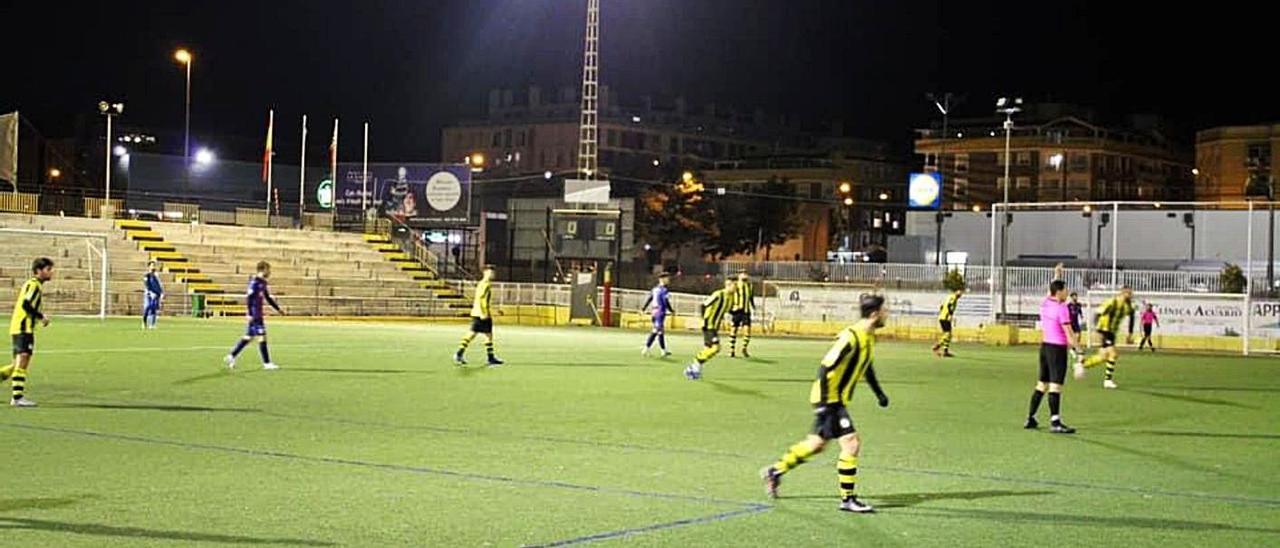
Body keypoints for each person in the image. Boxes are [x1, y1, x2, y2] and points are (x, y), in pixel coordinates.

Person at [761, 294, 891, 514]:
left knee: (816, 445)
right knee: (851, 443)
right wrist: (822, 402)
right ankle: (848, 499)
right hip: (829, 399)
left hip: (834, 399)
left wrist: (879, 393)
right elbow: (826, 366)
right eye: (885, 311)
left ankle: (775, 471)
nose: (887, 315)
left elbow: (866, 366)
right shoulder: (851, 336)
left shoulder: (868, 337)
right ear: (875, 313)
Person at [1027, 280, 1082, 433]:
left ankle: (1030, 417)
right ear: (1059, 292)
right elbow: (1069, 333)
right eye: (1065, 290)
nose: (1067, 293)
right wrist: (1079, 351)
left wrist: (1057, 275)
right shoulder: (1062, 308)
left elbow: (1049, 290)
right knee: (1055, 386)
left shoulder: (1045, 303)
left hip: (1045, 348)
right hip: (1057, 349)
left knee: (1041, 384)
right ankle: (1055, 422)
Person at [0, 258, 55, 407]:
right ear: (39, 270)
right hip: (23, 327)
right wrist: (41, 316)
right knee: (23, 360)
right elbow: (26, 304)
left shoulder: (34, 284)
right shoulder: (33, 285)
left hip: (20, 327)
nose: (51, 272)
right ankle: (17, 398)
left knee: (16, 364)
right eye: (48, 269)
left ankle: (16, 397)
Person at [224, 261, 284, 370]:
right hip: (255, 315)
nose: (270, 272)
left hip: (259, 315)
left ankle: (231, 356)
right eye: (268, 269)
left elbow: (268, 298)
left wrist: (278, 309)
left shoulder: (263, 283)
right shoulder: (254, 282)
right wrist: (249, 313)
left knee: (249, 337)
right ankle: (267, 363)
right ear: (263, 269)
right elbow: (249, 298)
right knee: (262, 337)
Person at [1076, 286, 1135, 389]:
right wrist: (1097, 329)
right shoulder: (1112, 302)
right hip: (1104, 330)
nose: (1130, 295)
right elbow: (1098, 313)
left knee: (1103, 357)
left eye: (1131, 294)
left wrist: (1130, 334)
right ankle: (1107, 380)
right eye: (1128, 293)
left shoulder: (1129, 306)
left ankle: (1082, 364)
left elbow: (1132, 319)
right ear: (1122, 293)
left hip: (1112, 332)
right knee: (1113, 354)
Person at [683, 278, 735, 380]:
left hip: (715, 327)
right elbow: (704, 305)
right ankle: (696, 363)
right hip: (709, 325)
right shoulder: (718, 294)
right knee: (716, 348)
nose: (736, 288)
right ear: (728, 285)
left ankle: (694, 370)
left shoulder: (731, 298)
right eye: (734, 285)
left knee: (708, 349)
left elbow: (728, 311)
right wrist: (703, 320)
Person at [456, 266, 504, 367]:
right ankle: (459, 353)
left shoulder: (482, 284)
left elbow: (485, 300)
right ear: (485, 273)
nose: (493, 274)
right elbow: (481, 299)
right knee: (474, 334)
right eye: (491, 272)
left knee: (487, 335)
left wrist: (495, 310)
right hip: (482, 314)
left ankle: (490, 357)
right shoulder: (485, 284)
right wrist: (483, 313)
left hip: (479, 312)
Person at [641, 273, 675, 357]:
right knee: (656, 331)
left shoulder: (655, 289)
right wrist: (671, 310)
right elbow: (665, 301)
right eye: (667, 278)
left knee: (660, 332)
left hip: (654, 312)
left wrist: (644, 308)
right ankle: (646, 348)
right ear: (662, 279)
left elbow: (650, 298)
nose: (668, 280)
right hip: (660, 312)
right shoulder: (664, 290)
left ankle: (663, 350)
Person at [729, 272, 756, 358]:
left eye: (746, 273)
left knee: (747, 331)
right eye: (742, 273)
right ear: (739, 276)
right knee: (733, 330)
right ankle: (731, 350)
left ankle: (744, 348)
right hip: (737, 311)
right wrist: (730, 308)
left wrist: (753, 306)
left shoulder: (749, 286)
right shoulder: (735, 285)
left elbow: (751, 297)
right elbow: (730, 296)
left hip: (746, 312)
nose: (745, 275)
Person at [932, 288, 963, 358]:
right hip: (945, 318)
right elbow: (949, 305)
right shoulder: (953, 298)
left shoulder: (949, 297)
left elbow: (942, 306)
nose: (960, 294)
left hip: (942, 317)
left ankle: (945, 351)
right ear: (956, 292)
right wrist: (950, 315)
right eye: (960, 293)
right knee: (948, 334)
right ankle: (937, 346)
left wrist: (942, 312)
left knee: (948, 334)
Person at [142, 260, 164, 330]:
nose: (153, 267)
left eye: (154, 265)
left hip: (156, 294)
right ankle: (144, 322)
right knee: (147, 307)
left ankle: (152, 324)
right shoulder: (147, 275)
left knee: (154, 309)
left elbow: (159, 284)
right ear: (149, 267)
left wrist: (161, 292)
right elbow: (146, 284)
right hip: (149, 294)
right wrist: (150, 292)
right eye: (152, 265)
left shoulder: (156, 275)